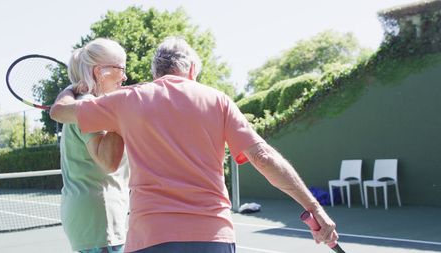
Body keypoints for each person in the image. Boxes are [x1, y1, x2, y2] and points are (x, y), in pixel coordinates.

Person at [50, 36, 339, 253]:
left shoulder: (128, 100)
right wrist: (315, 207)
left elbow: (60, 112)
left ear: (155, 73)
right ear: (191, 70)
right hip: (212, 237)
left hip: (150, 237)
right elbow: (262, 156)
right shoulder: (218, 100)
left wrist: (73, 88)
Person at [59, 38, 130, 253]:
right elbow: (108, 162)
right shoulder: (89, 105)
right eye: (121, 69)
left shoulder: (85, 104)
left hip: (93, 218)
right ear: (100, 72)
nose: (125, 76)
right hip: (100, 218)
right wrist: (123, 113)